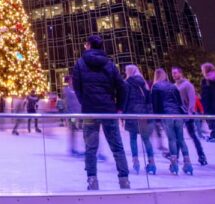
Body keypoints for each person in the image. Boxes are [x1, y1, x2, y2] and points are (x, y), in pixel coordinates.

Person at [72, 35, 129, 190]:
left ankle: (92, 180)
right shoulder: (110, 64)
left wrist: (85, 102)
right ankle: (124, 180)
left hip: (90, 111)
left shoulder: (80, 63)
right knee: (117, 147)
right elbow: (122, 87)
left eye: (86, 44)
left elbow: (77, 87)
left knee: (91, 148)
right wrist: (119, 107)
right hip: (108, 111)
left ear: (89, 45)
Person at [152, 68, 192, 175]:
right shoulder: (172, 86)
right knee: (181, 139)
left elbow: (155, 105)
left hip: (166, 115)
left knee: (172, 139)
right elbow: (179, 102)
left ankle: (174, 163)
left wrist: (157, 119)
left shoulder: (156, 87)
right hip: (178, 115)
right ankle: (187, 162)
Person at [123, 65, 156, 175]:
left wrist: (123, 114)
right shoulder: (144, 83)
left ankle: (135, 161)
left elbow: (125, 99)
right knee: (146, 139)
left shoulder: (127, 83)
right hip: (143, 114)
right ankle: (151, 162)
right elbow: (149, 100)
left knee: (133, 138)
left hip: (131, 113)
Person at [172, 67, 207, 166]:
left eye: (175, 73)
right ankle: (176, 155)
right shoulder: (175, 86)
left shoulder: (187, 85)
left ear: (180, 73)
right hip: (179, 114)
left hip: (187, 113)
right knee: (178, 135)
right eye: (172, 73)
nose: (173, 75)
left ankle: (201, 155)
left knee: (192, 135)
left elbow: (192, 99)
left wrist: (190, 112)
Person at [62, 75, 83, 157]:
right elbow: (66, 103)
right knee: (73, 131)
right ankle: (72, 148)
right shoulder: (67, 90)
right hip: (72, 115)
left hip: (80, 114)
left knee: (84, 131)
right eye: (71, 80)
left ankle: (82, 148)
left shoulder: (77, 89)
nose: (73, 81)